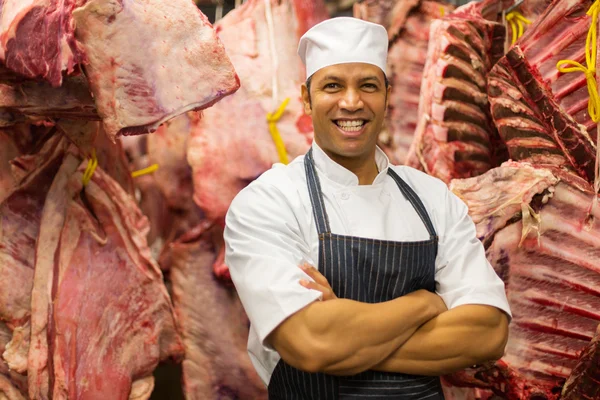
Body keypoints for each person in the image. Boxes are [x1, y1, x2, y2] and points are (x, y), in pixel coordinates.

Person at [224, 16, 511, 399]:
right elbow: (310, 341)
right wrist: (426, 302)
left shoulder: (433, 198)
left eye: (368, 85)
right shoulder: (269, 201)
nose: (351, 102)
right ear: (306, 98)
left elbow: (488, 333)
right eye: (332, 86)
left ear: (387, 95)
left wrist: (345, 337)